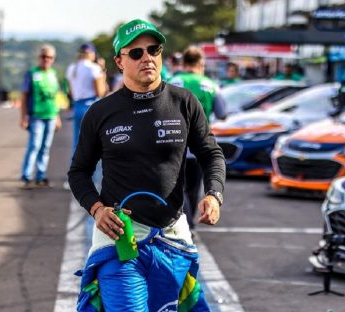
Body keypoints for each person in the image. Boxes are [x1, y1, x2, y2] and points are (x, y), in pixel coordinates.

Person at [68, 19, 225, 311]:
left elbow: (211, 154)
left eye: (153, 50)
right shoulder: (101, 112)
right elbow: (78, 172)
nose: (147, 58)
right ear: (119, 61)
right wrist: (97, 209)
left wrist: (214, 194)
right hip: (121, 240)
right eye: (136, 53)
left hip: (171, 238)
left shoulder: (184, 102)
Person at [169, 46, 227, 231]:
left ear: (183, 63)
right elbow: (223, 113)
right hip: (200, 144)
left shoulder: (172, 81)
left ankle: (183, 223)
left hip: (171, 144)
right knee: (194, 189)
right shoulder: (211, 85)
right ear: (201, 64)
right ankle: (189, 225)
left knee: (176, 187)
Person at [20, 44, 61, 189]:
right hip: (36, 115)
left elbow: (56, 97)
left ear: (53, 59)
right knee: (34, 146)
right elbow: (24, 96)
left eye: (49, 57)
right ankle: (26, 176)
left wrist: (57, 117)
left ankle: (41, 176)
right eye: (44, 56)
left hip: (50, 115)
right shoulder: (32, 73)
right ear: (39, 58)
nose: (46, 60)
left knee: (45, 147)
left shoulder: (53, 74)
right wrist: (24, 116)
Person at [66, 43, 106, 154]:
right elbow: (101, 92)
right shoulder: (94, 68)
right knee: (95, 144)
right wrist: (103, 71)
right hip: (91, 105)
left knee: (77, 143)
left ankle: (76, 170)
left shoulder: (72, 68)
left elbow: (71, 92)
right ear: (91, 53)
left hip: (77, 105)